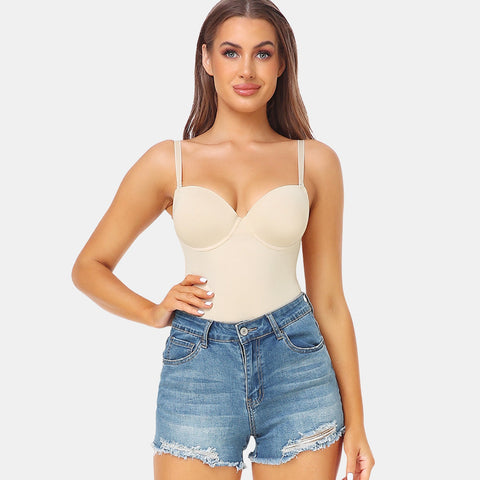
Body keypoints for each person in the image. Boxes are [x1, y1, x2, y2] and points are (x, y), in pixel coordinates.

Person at [71, 0, 375, 479]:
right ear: (207, 59)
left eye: (263, 53)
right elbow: (89, 267)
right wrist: (152, 311)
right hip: (199, 366)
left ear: (281, 64)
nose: (247, 69)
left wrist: (357, 422)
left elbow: (331, 300)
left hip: (297, 364)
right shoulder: (167, 162)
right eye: (231, 52)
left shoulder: (315, 163)